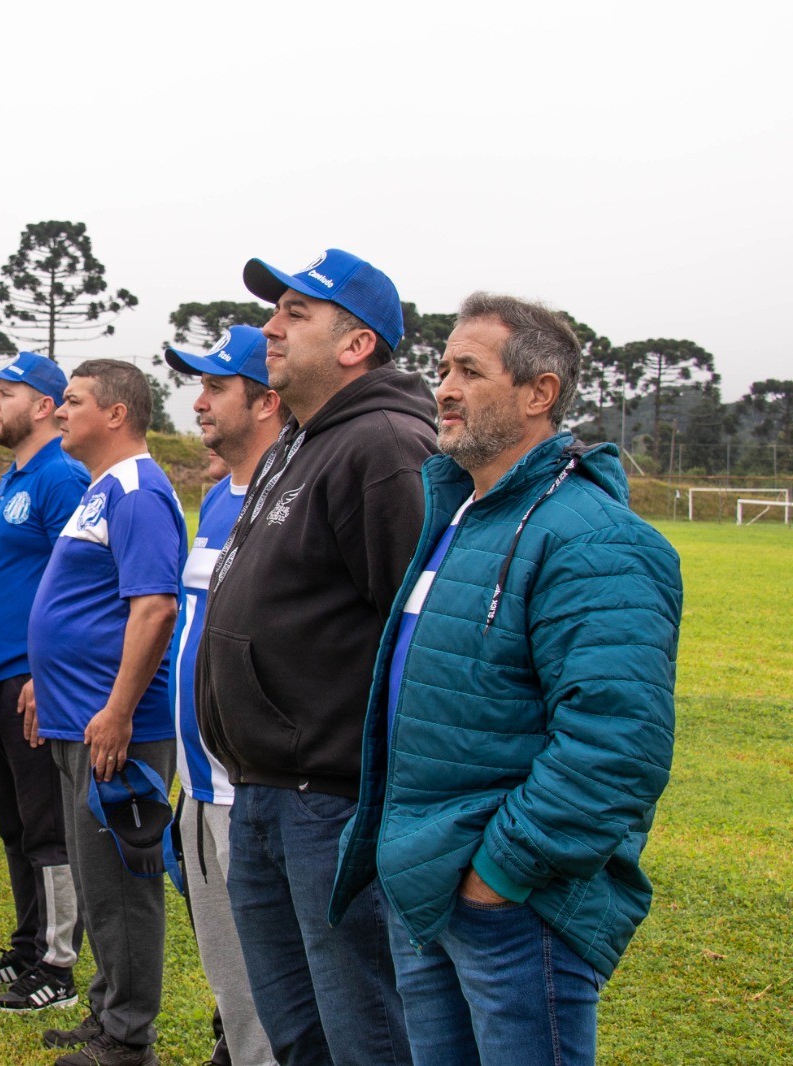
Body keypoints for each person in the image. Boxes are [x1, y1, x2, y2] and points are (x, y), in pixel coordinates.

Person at [330, 293, 683, 1066]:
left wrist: (499, 874)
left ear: (538, 393)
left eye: (469, 370)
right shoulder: (459, 517)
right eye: (442, 369)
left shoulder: (597, 541)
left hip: (512, 906)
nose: (444, 390)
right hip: (430, 889)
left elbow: (616, 746)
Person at [197, 248, 435, 1065]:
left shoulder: (384, 446)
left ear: (356, 344)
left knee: (362, 1033)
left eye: (296, 313)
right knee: (298, 1037)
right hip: (263, 788)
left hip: (329, 801)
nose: (271, 327)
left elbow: (419, 634)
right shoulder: (300, 442)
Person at [26, 359, 187, 1066]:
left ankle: (127, 1040)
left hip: (115, 731)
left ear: (116, 413)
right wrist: (44, 681)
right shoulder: (100, 488)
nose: (60, 412)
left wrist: (118, 711)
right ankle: (106, 1013)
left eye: (73, 401)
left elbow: (154, 608)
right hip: (77, 722)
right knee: (98, 886)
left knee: (122, 889)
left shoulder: (139, 491)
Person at [163, 326, 282, 1066]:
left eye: (216, 387)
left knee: (276, 987)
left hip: (254, 792)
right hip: (199, 782)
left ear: (266, 401)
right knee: (231, 980)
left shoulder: (290, 499)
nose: (199, 403)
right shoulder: (214, 502)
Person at [0, 351, 89, 1012]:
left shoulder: (61, 476)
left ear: (44, 405)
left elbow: (79, 582)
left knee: (47, 828)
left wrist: (47, 673)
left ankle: (58, 967)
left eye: (5, 392)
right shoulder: (12, 478)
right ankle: (27, 946)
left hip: (29, 681)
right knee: (13, 823)